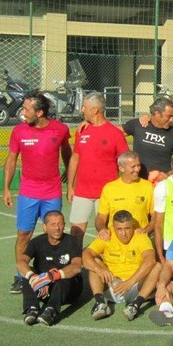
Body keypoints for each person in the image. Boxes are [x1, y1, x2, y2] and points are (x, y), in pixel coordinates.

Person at [3, 92, 71, 294]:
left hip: (52, 192)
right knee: (24, 233)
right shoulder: (19, 131)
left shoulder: (60, 129)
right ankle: (21, 276)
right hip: (28, 192)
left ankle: (50, 275)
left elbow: (67, 152)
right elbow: (11, 159)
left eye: (26, 109)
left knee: (54, 234)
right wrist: (6, 188)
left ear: (40, 112)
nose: (22, 113)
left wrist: (69, 173)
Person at [66, 92, 129, 241]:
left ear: (95, 110)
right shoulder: (81, 130)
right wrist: (70, 186)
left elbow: (126, 160)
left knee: (105, 233)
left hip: (106, 194)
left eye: (84, 107)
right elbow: (75, 158)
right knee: (75, 233)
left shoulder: (115, 133)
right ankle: (75, 263)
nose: (82, 110)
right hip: (82, 191)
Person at [83, 210, 158, 321]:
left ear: (133, 225)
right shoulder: (107, 236)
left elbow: (150, 260)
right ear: (113, 227)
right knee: (94, 262)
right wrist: (98, 269)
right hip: (111, 284)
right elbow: (85, 255)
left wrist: (129, 283)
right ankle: (100, 303)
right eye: (119, 229)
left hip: (134, 287)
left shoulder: (141, 237)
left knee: (157, 266)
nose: (123, 233)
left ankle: (135, 305)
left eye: (127, 228)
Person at [16, 211, 82, 326]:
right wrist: (33, 277)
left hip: (68, 290)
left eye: (60, 224)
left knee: (65, 278)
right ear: (45, 227)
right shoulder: (37, 242)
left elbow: (76, 267)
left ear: (64, 225)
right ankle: (32, 309)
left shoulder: (72, 242)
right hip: (43, 288)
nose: (57, 228)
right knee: (27, 271)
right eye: (53, 224)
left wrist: (51, 276)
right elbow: (20, 263)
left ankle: (51, 311)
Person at [95, 151, 155, 242]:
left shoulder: (148, 186)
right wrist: (102, 229)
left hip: (139, 238)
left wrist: (146, 230)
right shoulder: (109, 188)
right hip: (115, 239)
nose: (137, 169)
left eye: (138, 165)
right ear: (121, 168)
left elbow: (156, 217)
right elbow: (100, 218)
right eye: (133, 167)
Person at [123, 96, 173, 182]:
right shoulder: (139, 125)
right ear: (157, 113)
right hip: (138, 182)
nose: (172, 120)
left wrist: (167, 174)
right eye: (169, 116)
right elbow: (114, 133)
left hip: (161, 184)